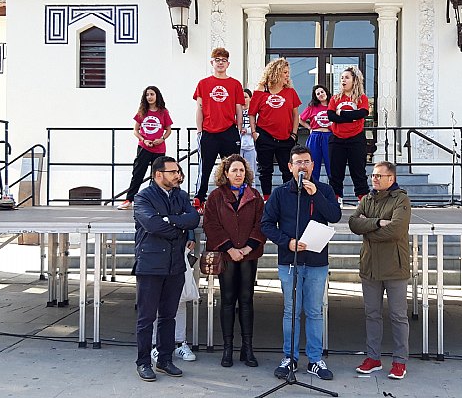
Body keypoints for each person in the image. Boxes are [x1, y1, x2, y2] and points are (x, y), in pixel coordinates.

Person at [261, 145, 342, 381]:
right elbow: (266, 225)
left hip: (317, 261)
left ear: (312, 165)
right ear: (290, 166)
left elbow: (334, 216)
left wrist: (315, 193)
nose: (303, 166)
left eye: (306, 162)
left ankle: (315, 359)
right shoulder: (280, 193)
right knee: (291, 312)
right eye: (298, 162)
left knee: (315, 312)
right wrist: (288, 243)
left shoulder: (324, 190)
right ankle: (290, 358)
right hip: (290, 261)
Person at [133, 156, 200, 382]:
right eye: (173, 172)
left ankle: (164, 359)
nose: (178, 175)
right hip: (150, 265)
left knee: (168, 316)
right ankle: (143, 362)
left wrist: (170, 220)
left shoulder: (181, 195)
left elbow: (193, 219)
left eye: (178, 171)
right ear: (158, 174)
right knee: (146, 317)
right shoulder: (143, 196)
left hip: (175, 265)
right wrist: (177, 228)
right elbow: (152, 224)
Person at [348, 161, 411, 380]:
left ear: (391, 179)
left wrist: (369, 229)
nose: (374, 179)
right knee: (371, 314)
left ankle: (399, 361)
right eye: (373, 175)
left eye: (379, 176)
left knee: (398, 316)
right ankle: (373, 358)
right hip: (370, 267)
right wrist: (378, 223)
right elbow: (354, 223)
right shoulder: (367, 199)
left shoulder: (401, 199)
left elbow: (395, 230)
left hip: (394, 267)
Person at [203, 154, 266, 368]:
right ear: (226, 174)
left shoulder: (255, 196)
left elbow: (261, 224)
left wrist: (248, 247)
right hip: (227, 256)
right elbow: (210, 225)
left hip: (249, 255)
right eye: (234, 171)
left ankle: (247, 349)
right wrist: (230, 248)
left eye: (241, 170)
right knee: (228, 300)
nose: (238, 174)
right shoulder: (216, 196)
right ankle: (228, 349)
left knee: (247, 300)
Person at [193, 47, 244, 213]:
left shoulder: (235, 84)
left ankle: (232, 197)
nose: (220, 63)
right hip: (209, 131)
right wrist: (199, 131)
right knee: (205, 167)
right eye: (217, 60)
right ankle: (200, 198)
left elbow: (239, 109)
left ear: (228, 63)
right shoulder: (203, 83)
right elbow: (199, 108)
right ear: (212, 62)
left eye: (223, 60)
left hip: (229, 131)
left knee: (231, 167)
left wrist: (239, 128)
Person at [249, 57, 301, 200]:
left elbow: (296, 115)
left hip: (286, 138)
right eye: (284, 72)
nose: (287, 75)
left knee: (288, 170)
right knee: (265, 170)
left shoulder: (290, 92)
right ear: (275, 73)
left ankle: (288, 198)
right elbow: (252, 113)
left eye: (287, 72)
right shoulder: (261, 91)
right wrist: (254, 133)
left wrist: (294, 134)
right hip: (264, 136)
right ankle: (267, 198)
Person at [118, 86, 172, 210]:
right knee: (138, 173)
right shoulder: (142, 111)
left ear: (157, 95)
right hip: (144, 147)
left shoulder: (163, 112)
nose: (150, 97)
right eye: (147, 95)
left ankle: (156, 201)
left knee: (158, 175)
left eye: (152, 94)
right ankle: (129, 199)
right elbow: (135, 130)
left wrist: (162, 139)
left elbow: (168, 130)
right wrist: (144, 140)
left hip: (159, 149)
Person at [150, 230, 197, 363]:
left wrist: (191, 235)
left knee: (179, 298)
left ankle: (180, 343)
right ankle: (155, 345)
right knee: (155, 299)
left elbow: (188, 213)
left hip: (177, 246)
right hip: (154, 247)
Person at [327, 66, 370, 203]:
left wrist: (343, 114)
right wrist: (352, 117)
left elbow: (362, 113)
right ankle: (336, 199)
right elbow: (331, 116)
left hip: (356, 138)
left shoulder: (361, 98)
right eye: (342, 78)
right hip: (337, 138)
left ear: (354, 80)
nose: (343, 80)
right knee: (335, 172)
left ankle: (363, 200)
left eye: (346, 77)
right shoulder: (335, 98)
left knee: (358, 171)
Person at [299, 84, 332, 181]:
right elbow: (300, 119)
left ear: (326, 92)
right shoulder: (312, 107)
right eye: (318, 94)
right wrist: (309, 127)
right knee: (313, 164)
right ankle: (312, 189)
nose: (321, 94)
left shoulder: (333, 106)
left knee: (331, 164)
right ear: (316, 97)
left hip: (329, 136)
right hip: (315, 136)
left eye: (322, 92)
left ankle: (336, 193)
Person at [240, 88, 257, 182]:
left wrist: (248, 130)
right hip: (239, 145)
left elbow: (257, 127)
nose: (244, 100)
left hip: (250, 146)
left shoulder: (254, 113)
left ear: (250, 98)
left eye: (246, 97)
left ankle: (251, 192)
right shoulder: (236, 112)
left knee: (250, 171)